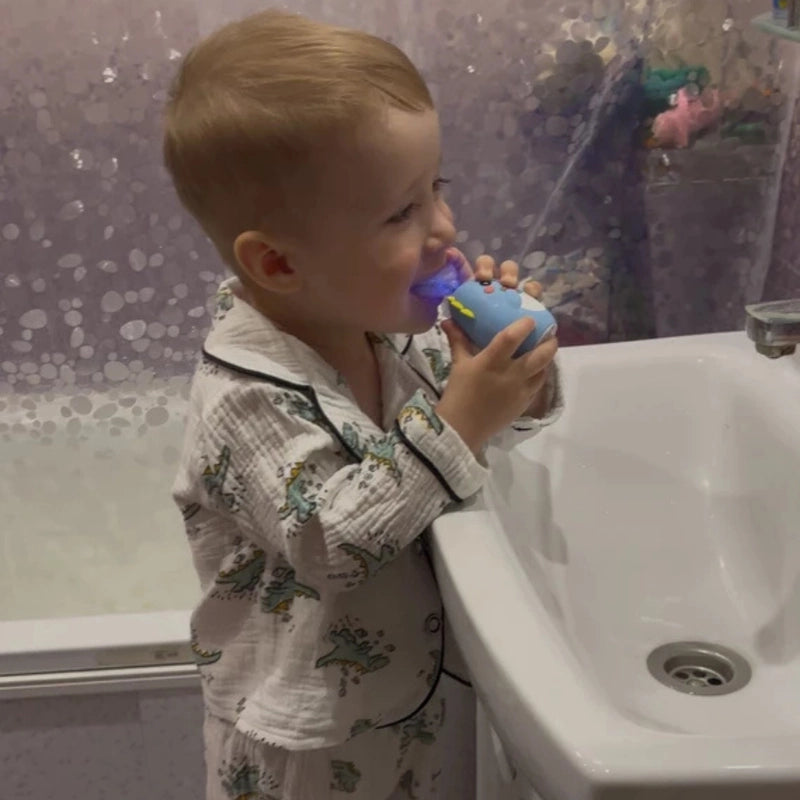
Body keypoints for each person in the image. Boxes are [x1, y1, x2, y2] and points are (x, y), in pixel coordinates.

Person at [166, 9, 562, 799]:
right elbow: (334, 541)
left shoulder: (388, 332)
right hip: (301, 744)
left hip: (400, 704)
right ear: (279, 264)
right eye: (401, 213)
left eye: (436, 189)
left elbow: (497, 428)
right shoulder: (243, 399)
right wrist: (461, 418)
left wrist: (515, 373)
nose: (445, 228)